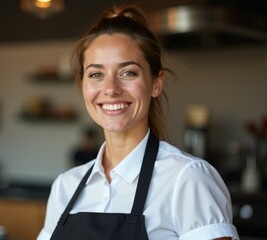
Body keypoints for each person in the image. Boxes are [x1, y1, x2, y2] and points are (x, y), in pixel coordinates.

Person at [37, 4, 239, 240]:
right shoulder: (65, 186)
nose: (111, 89)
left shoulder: (188, 179)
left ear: (156, 83)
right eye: (96, 74)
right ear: (82, 84)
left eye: (128, 73)